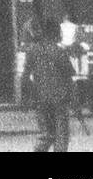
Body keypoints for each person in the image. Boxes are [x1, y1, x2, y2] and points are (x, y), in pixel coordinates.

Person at [23, 18, 76, 152]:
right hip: (59, 100)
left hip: (41, 100)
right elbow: (69, 76)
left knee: (46, 135)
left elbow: (25, 76)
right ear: (54, 33)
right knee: (61, 137)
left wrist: (29, 96)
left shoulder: (32, 51)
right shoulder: (59, 52)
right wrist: (74, 99)